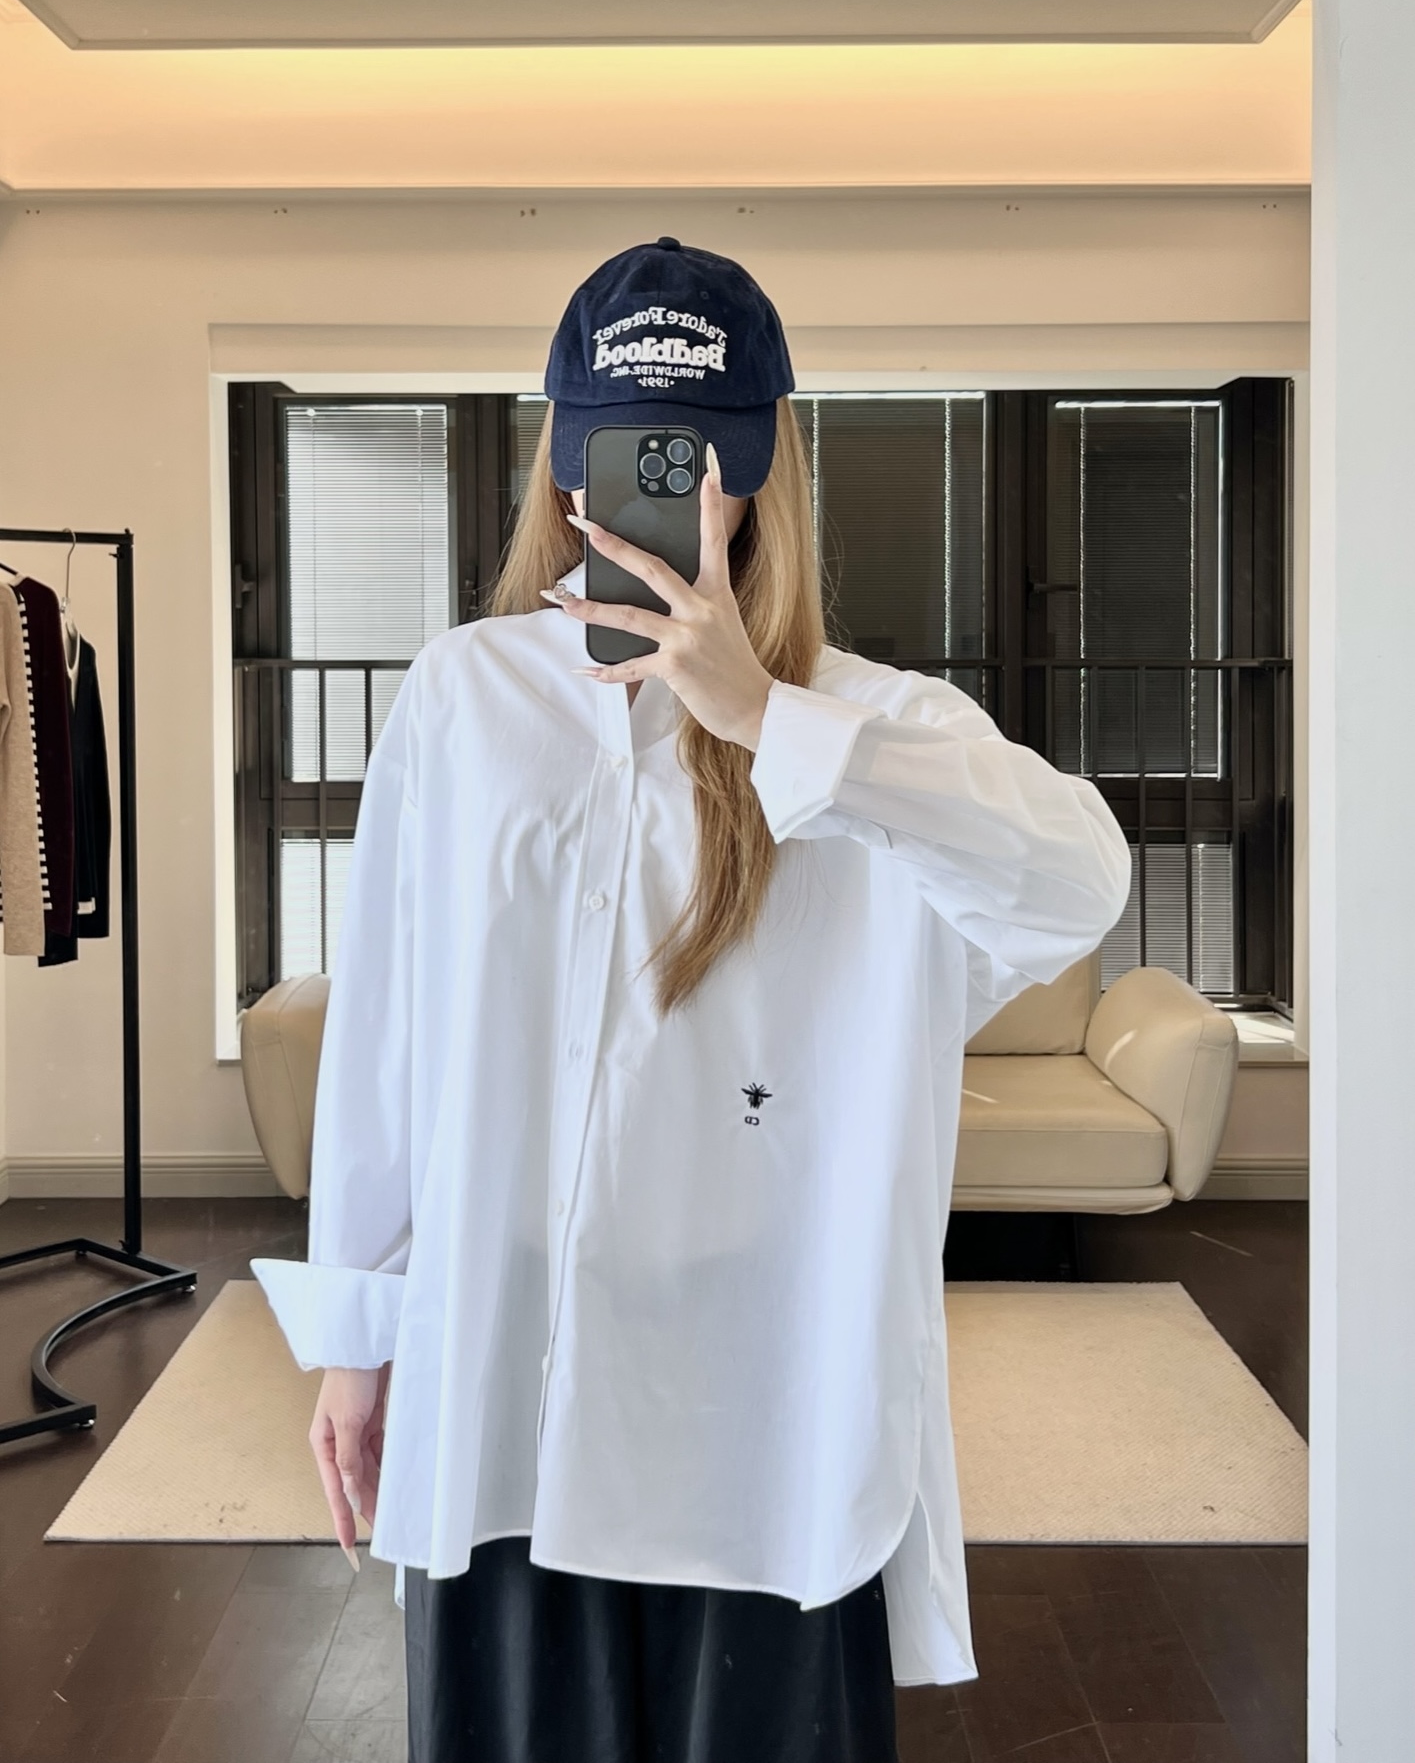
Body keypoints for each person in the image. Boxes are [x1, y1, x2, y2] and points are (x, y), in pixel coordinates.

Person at [251, 236, 1132, 1763]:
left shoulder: (877, 726)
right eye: (629, 455)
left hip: (770, 1412)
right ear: (565, 463)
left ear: (763, 467)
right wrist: (356, 1339)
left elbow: (1079, 880)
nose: (668, 503)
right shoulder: (463, 697)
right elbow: (387, 1041)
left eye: (701, 461)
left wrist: (770, 717)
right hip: (505, 1384)